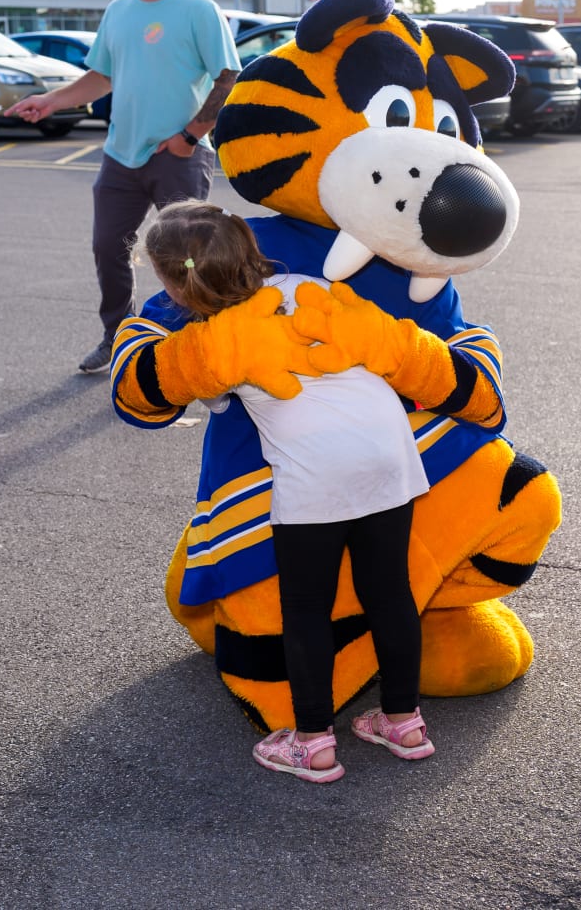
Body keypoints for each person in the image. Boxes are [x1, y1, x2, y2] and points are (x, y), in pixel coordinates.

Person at [139, 201, 435, 783]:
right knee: (389, 591)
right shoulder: (303, 284)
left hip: (317, 473)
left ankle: (312, 742)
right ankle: (404, 722)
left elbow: (209, 398)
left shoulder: (210, 341)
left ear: (177, 286)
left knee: (305, 608)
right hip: (389, 452)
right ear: (249, 248)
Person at [7, 0, 242, 374]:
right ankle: (118, 336)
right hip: (120, 155)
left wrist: (189, 136)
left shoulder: (197, 8)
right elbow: (101, 78)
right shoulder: (118, 10)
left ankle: (194, 341)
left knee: (188, 256)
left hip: (177, 155)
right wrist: (50, 101)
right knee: (107, 247)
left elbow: (228, 76)